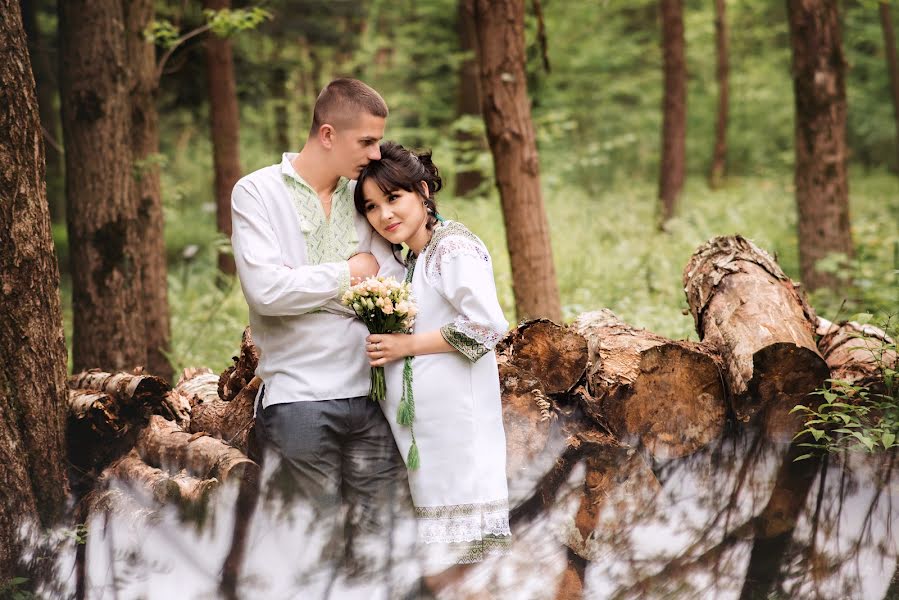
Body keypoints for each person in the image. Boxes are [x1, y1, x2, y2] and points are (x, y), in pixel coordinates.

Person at [230, 79, 406, 575]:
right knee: (315, 549)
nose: (375, 156)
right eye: (366, 142)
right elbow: (266, 291)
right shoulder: (257, 192)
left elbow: (391, 284)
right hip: (298, 400)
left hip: (373, 399)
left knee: (384, 547)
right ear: (328, 134)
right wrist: (350, 274)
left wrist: (304, 288)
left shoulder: (366, 196)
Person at [354, 142, 512, 586]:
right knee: (445, 568)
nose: (384, 214)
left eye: (394, 197)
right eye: (371, 206)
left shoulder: (452, 248)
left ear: (423, 192)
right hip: (432, 442)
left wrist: (405, 346)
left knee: (468, 567)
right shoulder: (415, 259)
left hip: (459, 433)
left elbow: (486, 326)